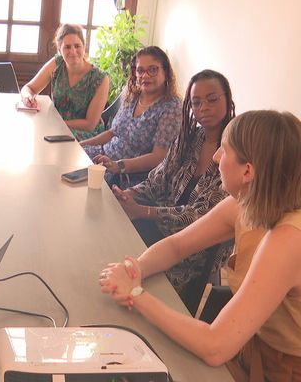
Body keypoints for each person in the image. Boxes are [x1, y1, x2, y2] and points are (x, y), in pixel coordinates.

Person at [99, 110, 301, 381]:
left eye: (224, 150)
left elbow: (215, 347)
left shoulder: (289, 238)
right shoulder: (243, 203)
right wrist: (135, 268)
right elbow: (177, 246)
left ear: (248, 171)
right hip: (251, 346)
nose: (216, 157)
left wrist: (134, 293)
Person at [111, 70, 236, 313]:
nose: (204, 108)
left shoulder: (234, 153)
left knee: (127, 273)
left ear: (227, 99)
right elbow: (158, 178)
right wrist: (129, 195)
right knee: (113, 246)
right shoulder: (190, 139)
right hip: (159, 234)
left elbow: (199, 216)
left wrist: (144, 212)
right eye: (196, 102)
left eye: (212, 99)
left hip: (192, 255)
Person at [80, 46, 181, 188]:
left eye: (153, 70)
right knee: (68, 160)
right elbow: (112, 132)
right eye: (140, 70)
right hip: (104, 157)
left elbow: (159, 157)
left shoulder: (171, 107)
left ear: (165, 72)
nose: (145, 76)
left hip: (130, 176)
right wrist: (81, 145)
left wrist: (117, 166)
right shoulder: (133, 97)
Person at [20, 24, 109, 141]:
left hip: (87, 136)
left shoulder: (100, 78)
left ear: (84, 47)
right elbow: (28, 88)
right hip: (54, 127)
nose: (73, 51)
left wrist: (56, 123)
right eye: (67, 47)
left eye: (77, 46)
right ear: (59, 50)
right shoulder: (57, 64)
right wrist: (28, 97)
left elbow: (90, 124)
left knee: (42, 136)